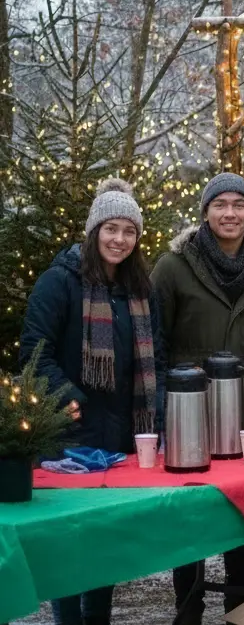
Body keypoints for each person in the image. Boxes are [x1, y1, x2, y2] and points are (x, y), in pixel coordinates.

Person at [151, 173, 244, 623]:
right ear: (205, 211)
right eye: (220, 204)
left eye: (240, 204)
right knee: (191, 506)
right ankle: (189, 604)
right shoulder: (174, 266)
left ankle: (240, 602)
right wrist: (162, 395)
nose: (230, 213)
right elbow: (154, 337)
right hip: (189, 405)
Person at [20, 178, 166, 625]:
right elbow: (34, 351)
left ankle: (98, 618)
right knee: (69, 540)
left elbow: (156, 353)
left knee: (104, 540)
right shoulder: (59, 281)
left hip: (122, 433)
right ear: (93, 231)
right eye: (111, 229)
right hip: (70, 434)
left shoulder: (140, 290)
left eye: (129, 231)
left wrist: (153, 408)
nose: (119, 240)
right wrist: (72, 401)